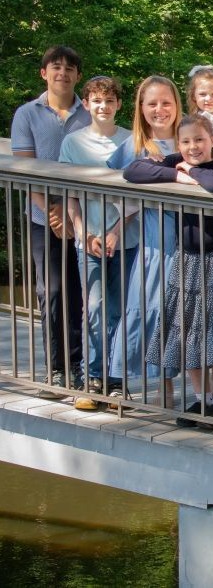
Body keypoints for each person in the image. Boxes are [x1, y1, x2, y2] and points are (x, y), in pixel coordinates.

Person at [123, 115, 213, 428]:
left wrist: (190, 171)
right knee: (187, 328)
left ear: (212, 140)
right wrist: (178, 176)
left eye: (200, 140)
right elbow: (133, 170)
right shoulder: (176, 161)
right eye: (186, 142)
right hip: (188, 259)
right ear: (179, 144)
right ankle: (201, 398)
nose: (193, 147)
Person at [10, 45, 90, 396]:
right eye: (56, 67)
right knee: (53, 291)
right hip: (44, 217)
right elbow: (24, 170)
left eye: (70, 68)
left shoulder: (90, 114)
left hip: (87, 215)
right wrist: (54, 210)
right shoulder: (27, 114)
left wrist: (74, 213)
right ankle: (57, 369)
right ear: (44, 73)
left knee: (86, 292)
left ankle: (83, 365)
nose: (63, 73)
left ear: (78, 75)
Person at [106, 75, 183, 407]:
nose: (159, 109)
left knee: (176, 312)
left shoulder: (189, 140)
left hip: (189, 239)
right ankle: (118, 381)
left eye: (166, 102)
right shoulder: (135, 147)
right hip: (156, 238)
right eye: (152, 103)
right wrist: (115, 229)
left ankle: (165, 386)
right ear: (140, 108)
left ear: (177, 105)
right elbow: (121, 191)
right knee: (146, 306)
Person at [58, 75, 134, 409]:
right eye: (96, 101)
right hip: (86, 239)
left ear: (119, 104)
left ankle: (117, 383)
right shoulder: (73, 143)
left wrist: (115, 231)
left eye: (110, 100)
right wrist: (82, 232)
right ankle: (92, 379)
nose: (103, 107)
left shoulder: (131, 141)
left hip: (126, 238)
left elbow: (136, 197)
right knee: (94, 307)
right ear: (86, 104)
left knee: (120, 308)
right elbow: (69, 195)